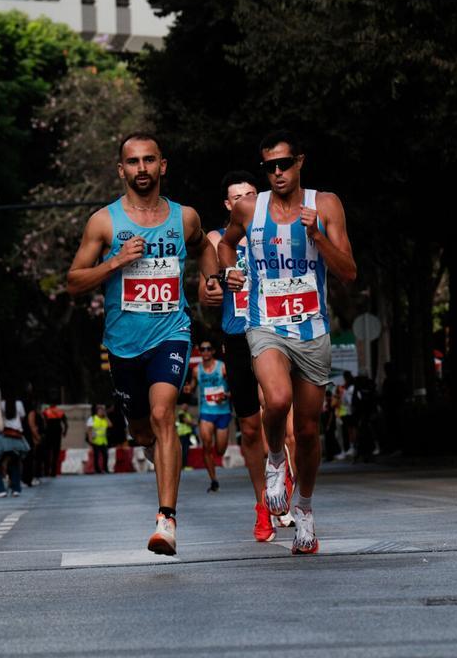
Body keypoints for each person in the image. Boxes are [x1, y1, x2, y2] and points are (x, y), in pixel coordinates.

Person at [66, 131, 222, 556]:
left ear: (162, 165)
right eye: (133, 162)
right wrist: (115, 261)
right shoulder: (104, 222)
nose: (141, 169)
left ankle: (166, 519)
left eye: (148, 160)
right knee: (140, 429)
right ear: (122, 170)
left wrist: (211, 279)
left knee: (162, 413)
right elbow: (73, 281)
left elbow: (204, 245)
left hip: (171, 330)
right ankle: (155, 448)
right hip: (122, 344)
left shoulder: (184, 216)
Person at [218, 130, 357, 555]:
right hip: (265, 325)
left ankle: (306, 510)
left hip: (312, 330)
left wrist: (318, 237)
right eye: (269, 167)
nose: (277, 173)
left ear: (300, 162)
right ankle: (277, 460)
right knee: (276, 401)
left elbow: (348, 272)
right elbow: (225, 245)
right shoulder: (248, 207)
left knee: (311, 431)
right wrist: (229, 272)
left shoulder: (326, 204)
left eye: (284, 164)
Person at [204, 170, 296, 540]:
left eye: (251, 194)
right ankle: (263, 504)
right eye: (238, 196)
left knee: (280, 414)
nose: (246, 201)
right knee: (249, 426)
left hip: (273, 331)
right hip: (236, 335)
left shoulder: (274, 230)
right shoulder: (216, 240)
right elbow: (205, 292)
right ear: (228, 205)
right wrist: (214, 287)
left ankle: (283, 479)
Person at [187, 340, 230, 492]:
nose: (205, 352)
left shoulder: (222, 367)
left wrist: (225, 395)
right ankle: (214, 480)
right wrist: (188, 389)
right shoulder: (197, 371)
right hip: (206, 412)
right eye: (202, 349)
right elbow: (192, 387)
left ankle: (216, 461)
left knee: (220, 450)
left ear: (212, 351)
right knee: (206, 445)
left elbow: (233, 388)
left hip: (223, 412)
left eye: (208, 349)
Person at [0, 388, 28, 497]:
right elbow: (22, 418)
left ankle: (0, 489)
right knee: (15, 463)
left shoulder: (0, 404)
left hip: (4, 437)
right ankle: (16, 489)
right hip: (17, 437)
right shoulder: (19, 404)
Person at [85, 404, 111, 474]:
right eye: (100, 410)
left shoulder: (104, 419)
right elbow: (89, 430)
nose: (102, 412)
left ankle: (105, 469)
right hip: (95, 440)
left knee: (106, 455)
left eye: (103, 411)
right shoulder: (93, 418)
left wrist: (106, 417)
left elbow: (110, 425)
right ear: (97, 411)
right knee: (96, 456)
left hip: (103, 441)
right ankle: (97, 470)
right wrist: (90, 439)